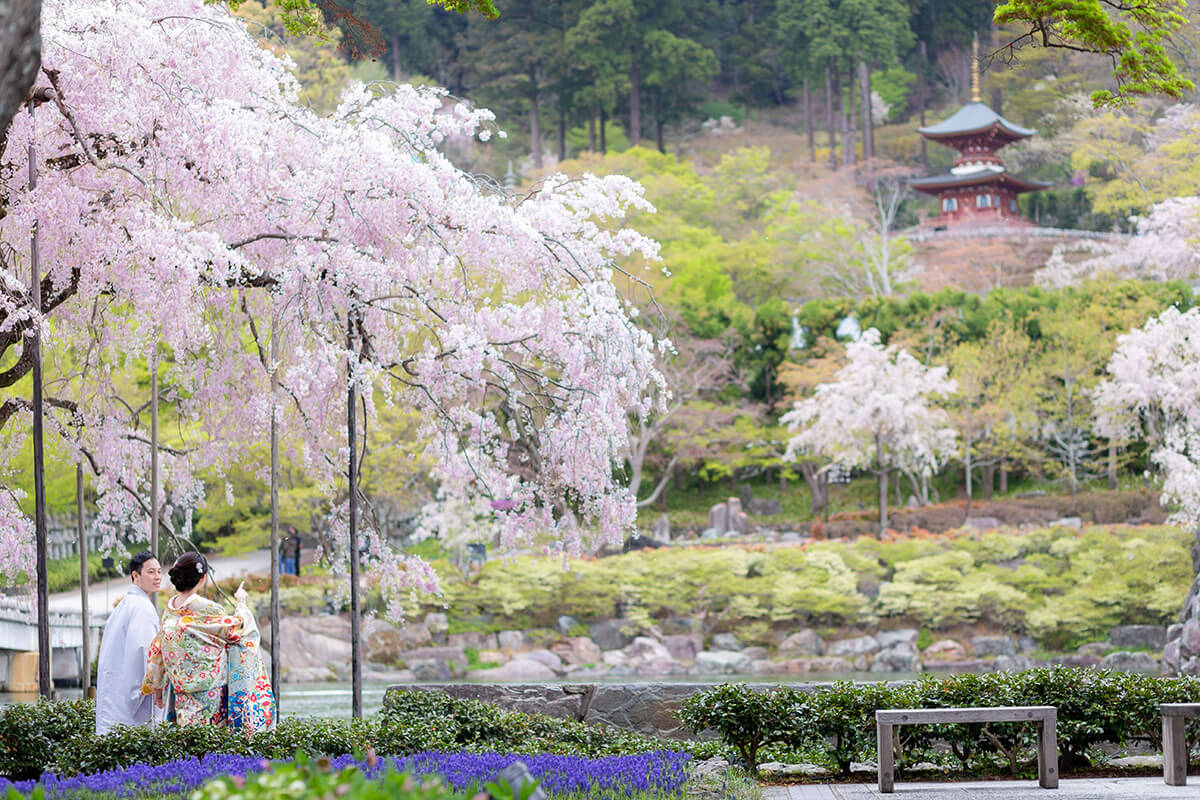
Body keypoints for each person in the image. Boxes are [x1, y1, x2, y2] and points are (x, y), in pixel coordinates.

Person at [142, 552, 275, 732]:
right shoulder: (209, 609)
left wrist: (157, 687)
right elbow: (239, 631)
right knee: (212, 745)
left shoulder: (170, 611)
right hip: (211, 692)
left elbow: (157, 650)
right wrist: (242, 603)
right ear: (203, 578)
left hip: (181, 693)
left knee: (187, 742)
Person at [95, 551, 162, 735]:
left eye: (159, 571)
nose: (157, 577)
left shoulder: (125, 605)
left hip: (115, 698)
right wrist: (150, 690)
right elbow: (145, 654)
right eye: (151, 572)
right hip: (130, 705)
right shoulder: (141, 608)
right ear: (136, 575)